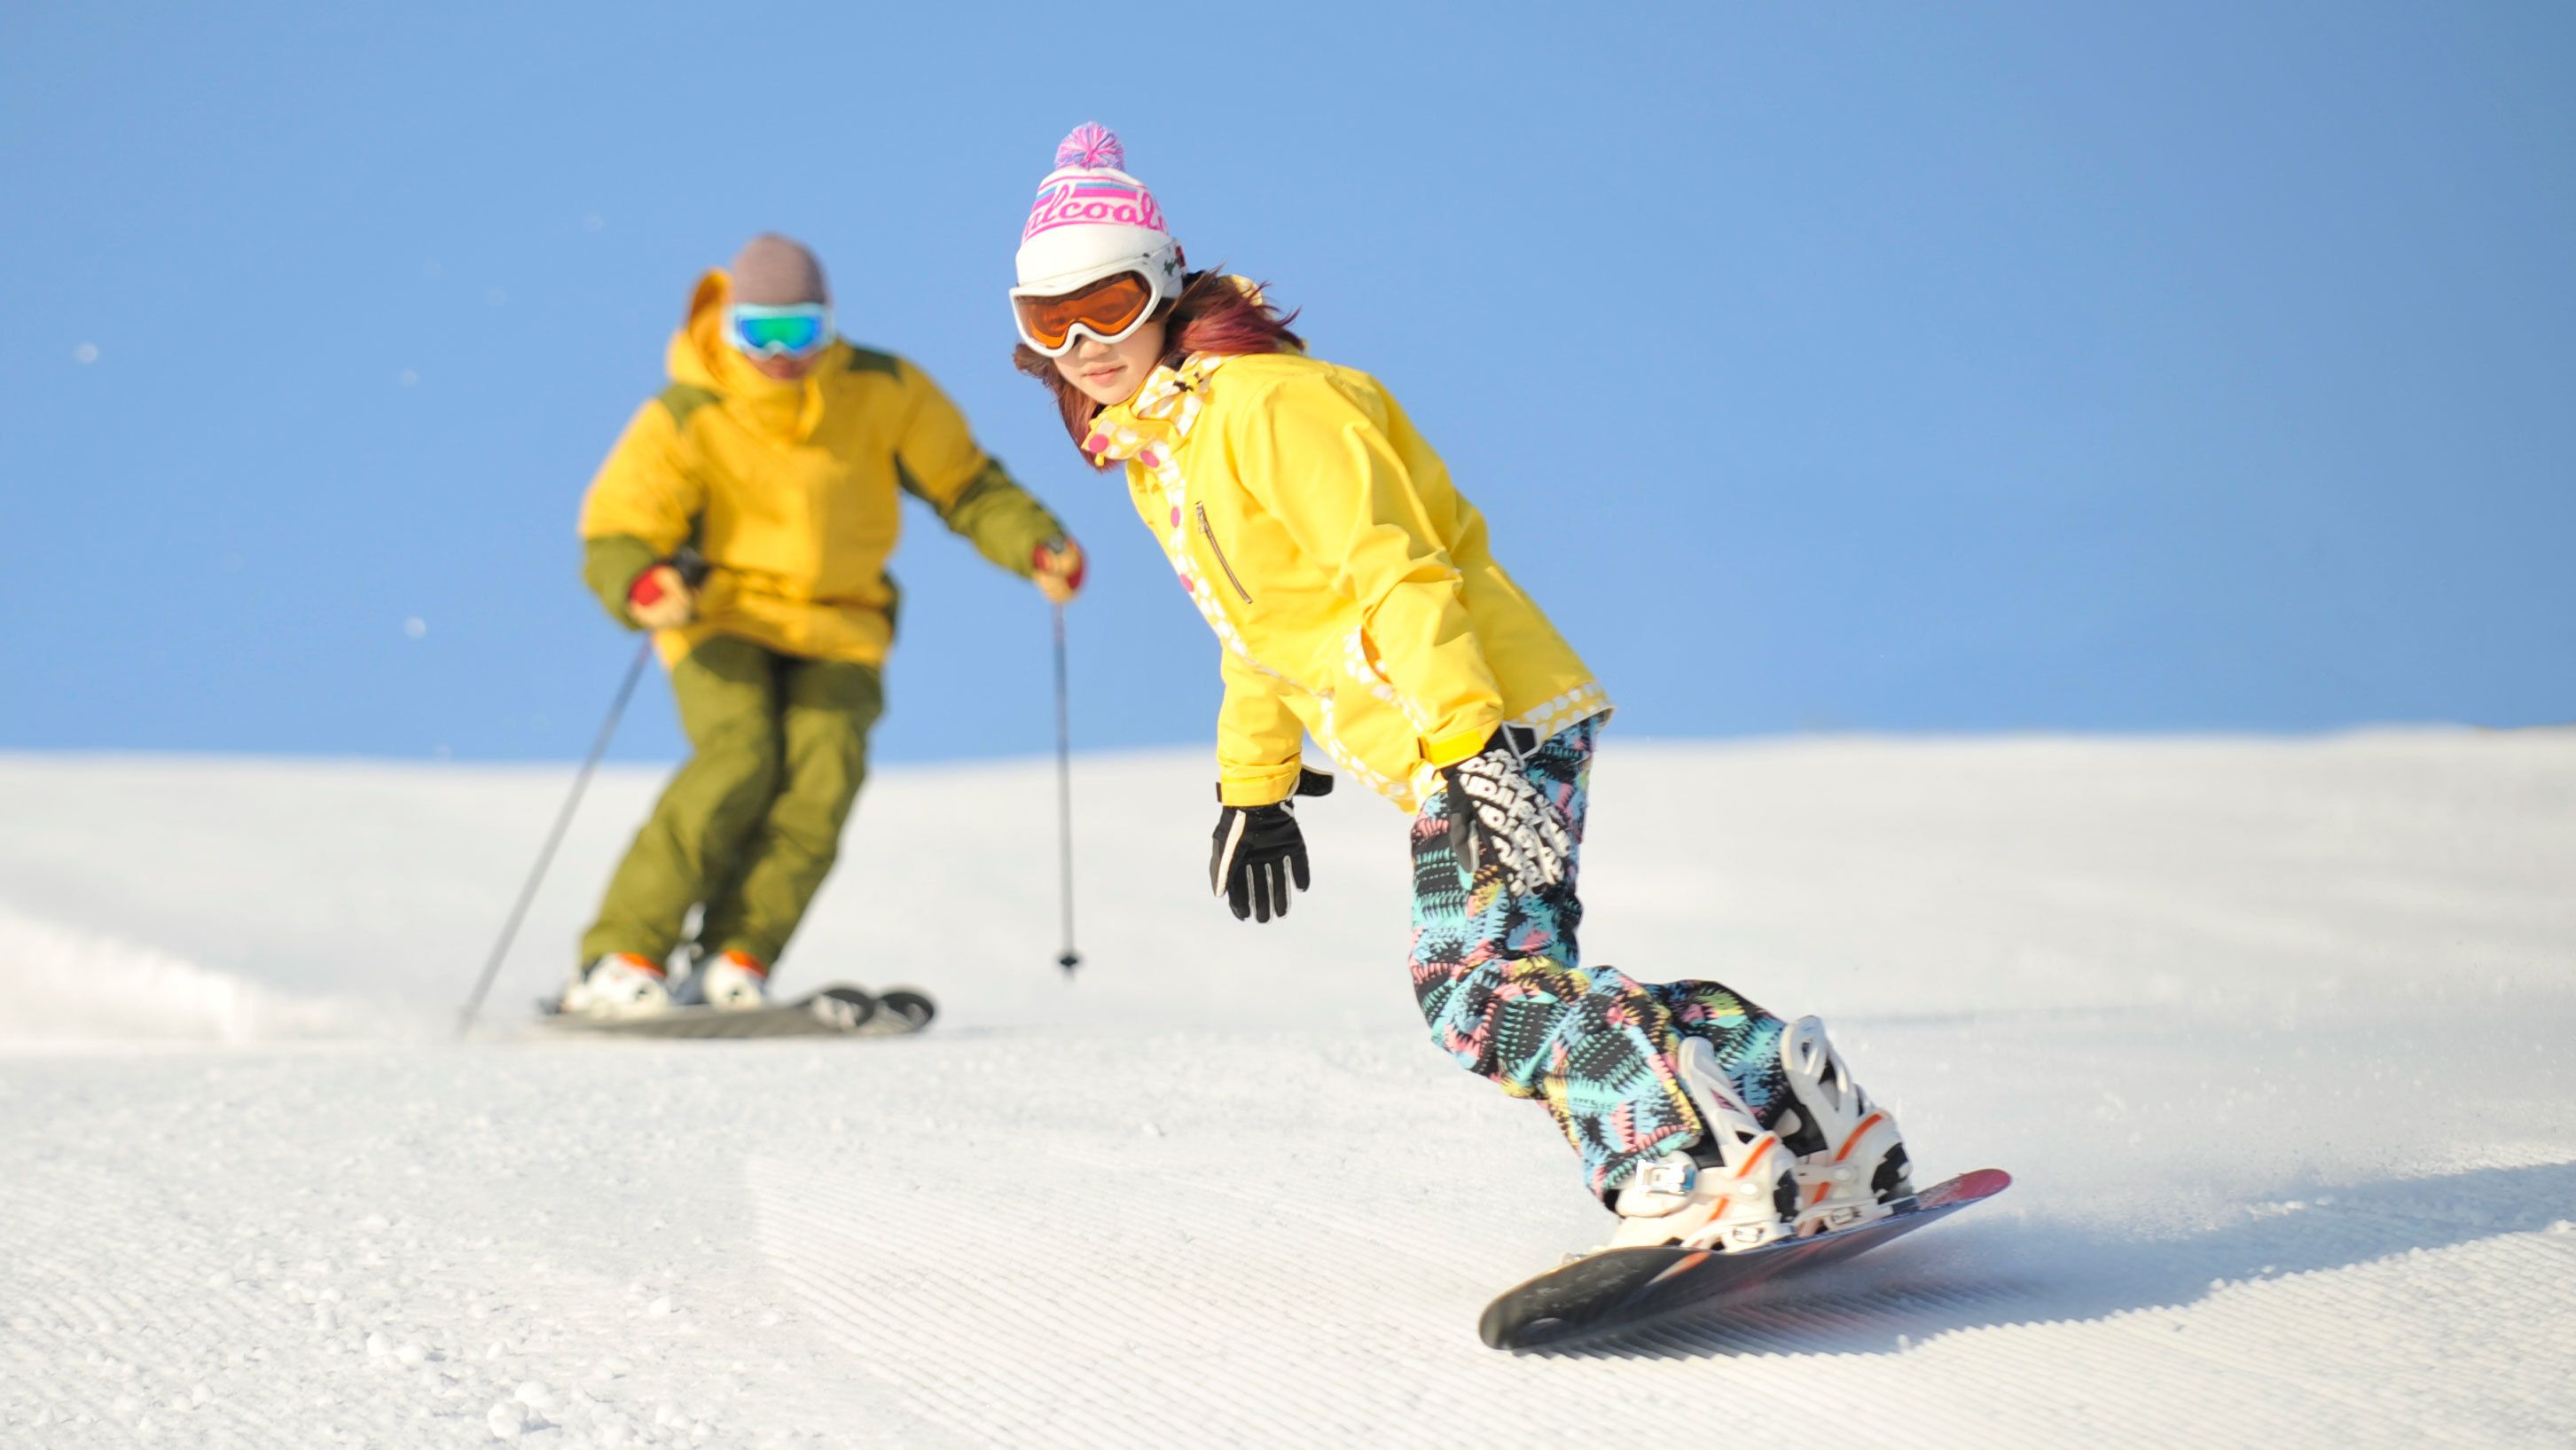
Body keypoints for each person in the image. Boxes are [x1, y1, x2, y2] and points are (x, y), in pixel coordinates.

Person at [1004, 126, 1912, 1252]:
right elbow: (1257, 630)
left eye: (1109, 302)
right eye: (1051, 322)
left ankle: (1666, 1167)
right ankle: (1796, 1100)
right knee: (1519, 974)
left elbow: (1395, 569)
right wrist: (1257, 785)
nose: (1087, 343)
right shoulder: (1166, 452)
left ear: (1165, 286)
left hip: (1484, 712)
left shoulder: (1267, 406)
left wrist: (1469, 743)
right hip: (1467, 724)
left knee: (1474, 987)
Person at [567, 233, 1085, 1017]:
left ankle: (735, 957)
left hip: (842, 624)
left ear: (830, 322)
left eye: (799, 331)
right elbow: (619, 525)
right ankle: (622, 956)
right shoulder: (691, 408)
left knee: (822, 780)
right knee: (738, 755)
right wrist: (642, 582)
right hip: (723, 618)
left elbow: (967, 485)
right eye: (761, 334)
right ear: (731, 327)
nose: (781, 354)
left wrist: (1034, 541)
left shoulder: (883, 389)